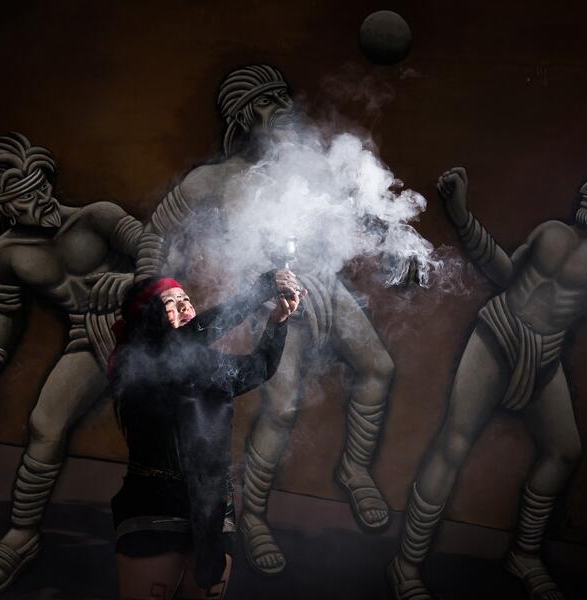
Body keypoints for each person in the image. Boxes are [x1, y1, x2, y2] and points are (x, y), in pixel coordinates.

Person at [387, 146, 587, 600]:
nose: (586, 189)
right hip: (498, 335)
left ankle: (524, 554)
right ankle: (406, 566)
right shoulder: (552, 231)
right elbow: (504, 273)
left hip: (544, 355)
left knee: (564, 451)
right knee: (453, 444)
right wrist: (461, 215)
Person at [144, 64, 398, 575]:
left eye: (282, 97)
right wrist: (152, 292)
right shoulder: (212, 181)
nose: (280, 108)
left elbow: (363, 215)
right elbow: (157, 235)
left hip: (323, 285)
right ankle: (255, 515)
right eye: (266, 101)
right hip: (268, 297)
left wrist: (396, 247)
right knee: (281, 410)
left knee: (379, 368)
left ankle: (353, 470)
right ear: (242, 116)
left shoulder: (312, 166)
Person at [0, 132, 158, 595]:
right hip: (88, 337)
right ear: (1, 207)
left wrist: (129, 283)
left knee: (184, 425)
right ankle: (21, 535)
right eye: (19, 200)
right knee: (45, 423)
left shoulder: (97, 216)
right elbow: (5, 318)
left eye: (37, 188)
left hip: (150, 327)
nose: (35, 203)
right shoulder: (2, 255)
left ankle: (203, 525)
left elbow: (155, 249)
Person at [109, 269, 301, 599]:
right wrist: (257, 291)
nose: (185, 307)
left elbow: (259, 368)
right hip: (155, 507)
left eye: (187, 300)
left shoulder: (205, 364)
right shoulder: (135, 360)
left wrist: (277, 322)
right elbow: (186, 339)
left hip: (214, 509)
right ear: (147, 316)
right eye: (170, 302)